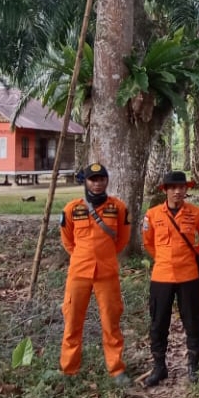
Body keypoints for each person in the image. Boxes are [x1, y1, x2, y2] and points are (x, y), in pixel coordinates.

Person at [58, 162, 131, 385]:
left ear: (106, 181)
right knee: (72, 322)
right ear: (86, 182)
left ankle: (116, 369)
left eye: (101, 179)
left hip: (106, 274)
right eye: (93, 179)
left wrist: (105, 256)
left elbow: (122, 240)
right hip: (79, 273)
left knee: (111, 322)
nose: (97, 184)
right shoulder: (72, 208)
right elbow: (68, 241)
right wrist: (84, 257)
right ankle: (69, 369)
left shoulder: (118, 208)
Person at [141, 171, 199, 386]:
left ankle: (193, 364)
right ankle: (159, 366)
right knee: (158, 321)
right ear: (165, 190)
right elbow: (148, 242)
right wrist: (163, 259)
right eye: (172, 188)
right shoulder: (152, 214)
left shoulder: (197, 213)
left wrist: (191, 256)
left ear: (186, 189)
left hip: (188, 275)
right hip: (161, 276)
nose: (178, 191)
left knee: (192, 319)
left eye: (181, 187)